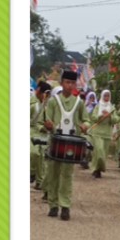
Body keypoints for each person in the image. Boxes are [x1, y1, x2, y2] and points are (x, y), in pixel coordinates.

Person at [41, 70, 90, 220]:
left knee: (67, 175)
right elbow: (46, 121)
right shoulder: (53, 101)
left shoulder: (79, 102)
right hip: (55, 141)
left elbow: (86, 119)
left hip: (71, 144)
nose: (70, 85)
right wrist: (48, 126)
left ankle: (65, 206)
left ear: (76, 85)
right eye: (67, 82)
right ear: (62, 83)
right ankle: (53, 205)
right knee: (53, 174)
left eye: (73, 83)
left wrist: (85, 126)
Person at [88, 89, 115, 178]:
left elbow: (116, 119)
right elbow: (93, 117)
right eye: (105, 96)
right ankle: (94, 169)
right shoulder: (98, 106)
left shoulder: (111, 107)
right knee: (99, 151)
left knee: (104, 153)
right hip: (97, 133)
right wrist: (101, 116)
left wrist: (110, 116)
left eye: (108, 96)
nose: (107, 98)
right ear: (102, 96)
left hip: (107, 134)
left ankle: (98, 170)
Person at [31, 81, 52, 190]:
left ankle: (40, 182)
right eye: (45, 93)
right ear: (39, 91)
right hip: (30, 131)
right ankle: (31, 172)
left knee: (42, 158)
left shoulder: (48, 106)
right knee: (34, 153)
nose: (46, 96)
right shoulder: (31, 103)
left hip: (43, 133)